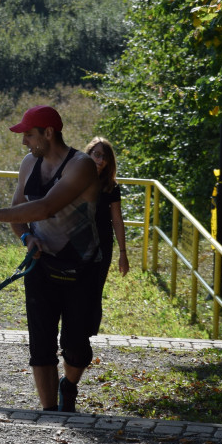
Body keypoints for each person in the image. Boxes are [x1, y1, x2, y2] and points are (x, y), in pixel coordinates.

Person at [0, 105, 101, 413]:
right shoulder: (29, 163)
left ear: (48, 133)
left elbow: (46, 208)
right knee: (41, 344)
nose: (24, 142)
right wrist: (27, 238)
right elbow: (21, 214)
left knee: (76, 346)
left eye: (28, 135)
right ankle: (50, 412)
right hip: (41, 265)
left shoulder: (81, 165)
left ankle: (69, 384)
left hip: (82, 266)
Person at [86, 136, 129, 336]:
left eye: (105, 157)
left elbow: (117, 220)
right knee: (75, 288)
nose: (100, 160)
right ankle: (71, 332)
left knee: (95, 289)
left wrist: (123, 252)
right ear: (89, 154)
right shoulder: (76, 179)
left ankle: (89, 332)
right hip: (76, 241)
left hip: (102, 244)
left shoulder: (112, 187)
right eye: (97, 154)